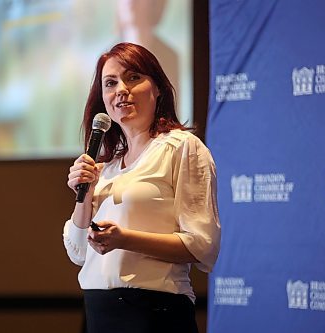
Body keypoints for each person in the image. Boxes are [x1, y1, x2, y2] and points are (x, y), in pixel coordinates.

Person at [63, 42, 220, 333]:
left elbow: (202, 246)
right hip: (99, 315)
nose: (121, 89)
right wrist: (83, 195)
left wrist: (125, 239)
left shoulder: (181, 147)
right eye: (110, 83)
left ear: (157, 88)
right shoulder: (106, 168)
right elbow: (78, 252)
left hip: (154, 314)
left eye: (133, 77)